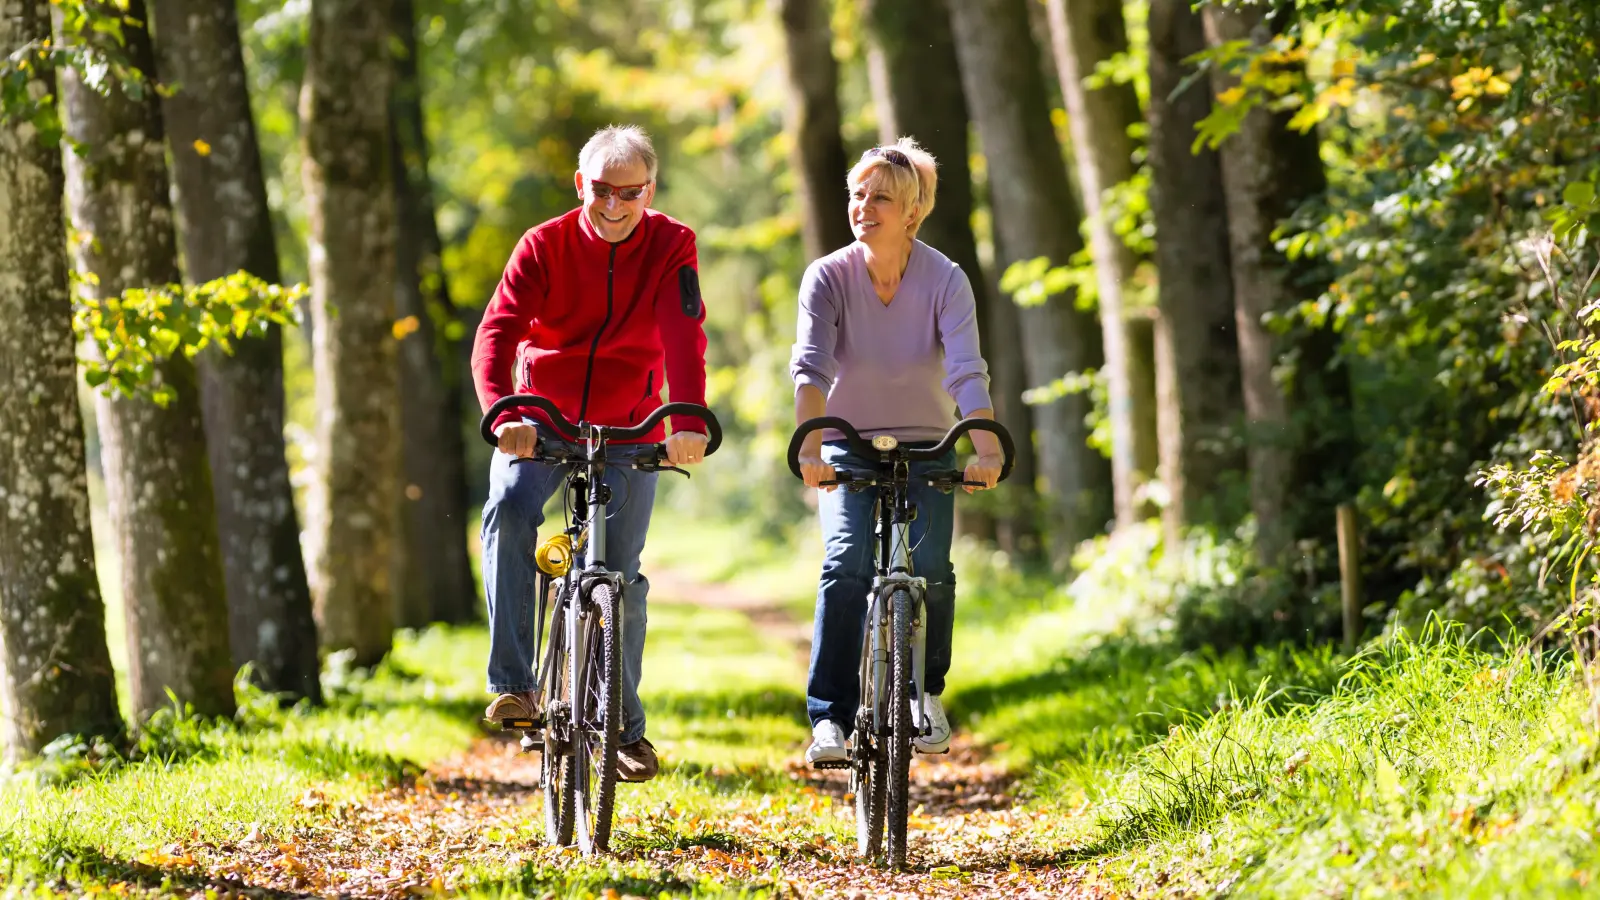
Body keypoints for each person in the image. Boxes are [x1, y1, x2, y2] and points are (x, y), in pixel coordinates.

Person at [472, 125, 711, 783]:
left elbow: (683, 334)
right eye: (601, 190)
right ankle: (516, 684)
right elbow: (497, 334)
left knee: (622, 577)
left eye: (628, 193)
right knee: (511, 508)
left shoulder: (671, 244)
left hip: (631, 423)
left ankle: (623, 728)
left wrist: (687, 419)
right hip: (538, 417)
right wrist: (504, 412)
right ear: (581, 185)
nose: (613, 205)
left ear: (649, 190)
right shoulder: (542, 245)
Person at [789, 138, 1006, 767]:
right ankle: (829, 717)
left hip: (928, 444)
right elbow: (810, 369)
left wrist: (985, 448)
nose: (863, 206)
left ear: (911, 212)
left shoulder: (945, 278)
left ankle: (925, 693)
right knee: (845, 564)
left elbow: (967, 372)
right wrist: (810, 445)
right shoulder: (828, 276)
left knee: (933, 568)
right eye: (858, 195)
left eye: (880, 197)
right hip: (848, 447)